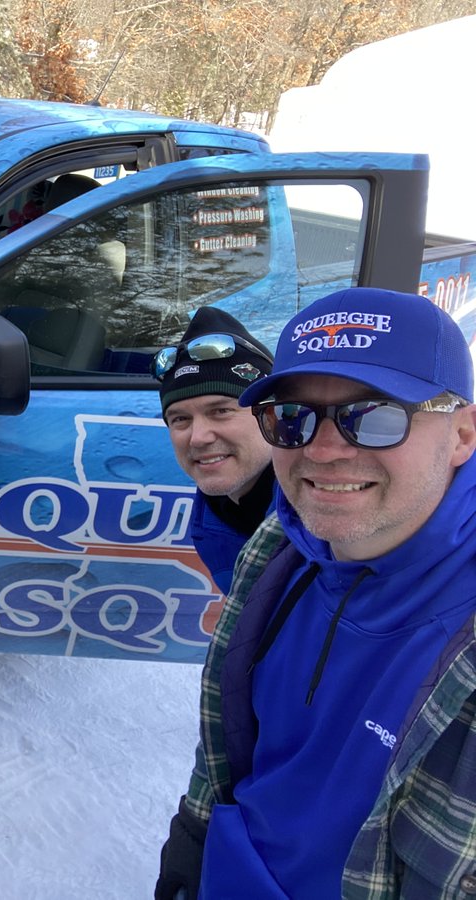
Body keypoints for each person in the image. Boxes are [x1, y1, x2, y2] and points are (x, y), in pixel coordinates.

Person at [154, 287, 476, 899]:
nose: (324, 452)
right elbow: (227, 739)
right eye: (291, 417)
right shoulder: (279, 545)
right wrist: (194, 838)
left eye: (377, 414)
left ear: (462, 433)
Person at [153, 307, 275, 593]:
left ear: (270, 417)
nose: (198, 438)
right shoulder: (215, 517)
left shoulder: (326, 524)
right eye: (180, 419)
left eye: (220, 411)